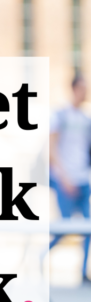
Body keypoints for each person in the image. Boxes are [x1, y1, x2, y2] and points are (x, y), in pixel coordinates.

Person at [49, 75, 91, 282]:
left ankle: (83, 272)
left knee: (88, 228)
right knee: (65, 228)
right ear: (73, 89)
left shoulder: (86, 120)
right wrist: (64, 177)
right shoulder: (60, 116)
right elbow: (52, 148)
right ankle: (39, 257)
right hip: (65, 180)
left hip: (83, 179)